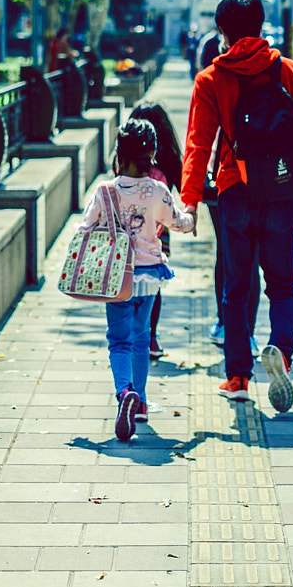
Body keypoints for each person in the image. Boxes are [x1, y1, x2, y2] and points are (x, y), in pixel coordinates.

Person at [181, 0, 293, 413]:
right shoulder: (291, 72)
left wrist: (188, 202)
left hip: (233, 192)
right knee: (282, 284)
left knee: (236, 289)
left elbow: (197, 144)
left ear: (222, 32)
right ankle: (281, 349)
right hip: (280, 191)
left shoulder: (210, 79)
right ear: (261, 25)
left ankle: (237, 378)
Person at [79, 119, 195, 442]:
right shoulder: (157, 191)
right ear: (153, 154)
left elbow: (84, 229)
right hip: (150, 278)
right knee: (142, 338)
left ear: (119, 153)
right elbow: (177, 222)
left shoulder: (105, 191)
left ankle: (123, 393)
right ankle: (140, 400)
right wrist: (192, 218)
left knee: (119, 340)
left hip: (118, 278)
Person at [130, 102, 184, 359]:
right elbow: (185, 189)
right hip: (158, 233)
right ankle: (150, 338)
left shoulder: (125, 158)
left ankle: (132, 333)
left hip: (126, 234)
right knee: (153, 285)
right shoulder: (170, 160)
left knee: (128, 281)